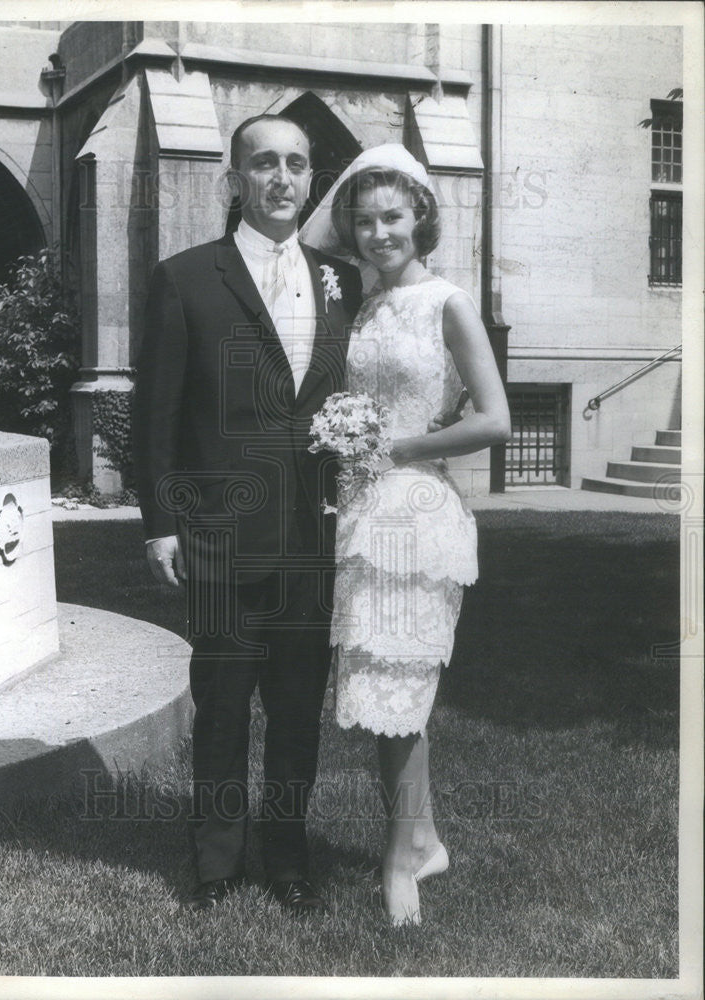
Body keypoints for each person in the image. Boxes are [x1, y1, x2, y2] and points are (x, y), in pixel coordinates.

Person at [132, 115, 363, 913]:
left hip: (315, 535)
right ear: (235, 178)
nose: (280, 179)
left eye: (296, 165)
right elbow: (157, 411)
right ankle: (216, 863)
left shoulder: (342, 280)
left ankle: (288, 855)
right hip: (220, 532)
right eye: (263, 163)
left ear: (309, 180)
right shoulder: (187, 276)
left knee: (299, 708)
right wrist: (160, 522)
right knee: (224, 703)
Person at [299, 144, 511, 925]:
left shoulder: (446, 303)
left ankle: (399, 864)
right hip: (359, 512)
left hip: (418, 512)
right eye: (364, 220)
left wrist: (398, 447)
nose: (378, 232)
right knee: (372, 684)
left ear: (421, 216)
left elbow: (492, 418)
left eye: (392, 216)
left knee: (403, 686)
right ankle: (421, 838)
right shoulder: (358, 303)